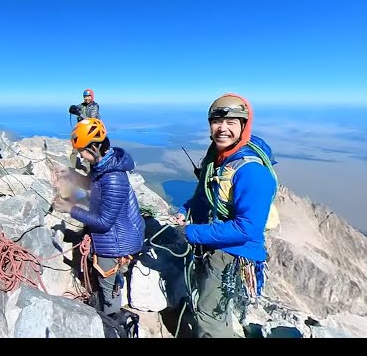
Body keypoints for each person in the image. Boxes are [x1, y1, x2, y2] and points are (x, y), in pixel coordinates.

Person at [171, 93, 280, 338]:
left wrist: (192, 232)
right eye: (217, 122)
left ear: (244, 126)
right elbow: (205, 197)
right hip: (217, 246)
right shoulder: (219, 160)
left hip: (232, 254)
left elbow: (247, 229)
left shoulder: (251, 171)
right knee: (212, 309)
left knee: (210, 317)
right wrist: (184, 212)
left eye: (231, 123)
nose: (222, 128)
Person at [53, 118, 145, 320]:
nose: (81, 157)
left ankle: (110, 324)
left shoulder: (113, 178)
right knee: (104, 287)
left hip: (115, 245)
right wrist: (72, 175)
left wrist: (71, 208)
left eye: (83, 151)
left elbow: (104, 222)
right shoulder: (105, 166)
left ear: (94, 147)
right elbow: (94, 186)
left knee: (109, 292)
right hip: (111, 239)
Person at [68, 89, 101, 170]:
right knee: (75, 150)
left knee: (89, 152)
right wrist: (73, 108)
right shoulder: (82, 105)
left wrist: (79, 114)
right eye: (85, 96)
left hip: (91, 132)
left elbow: (91, 120)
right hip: (81, 131)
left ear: (92, 96)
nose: (86, 98)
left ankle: (89, 173)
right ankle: (72, 169)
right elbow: (77, 108)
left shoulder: (95, 106)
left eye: (88, 96)